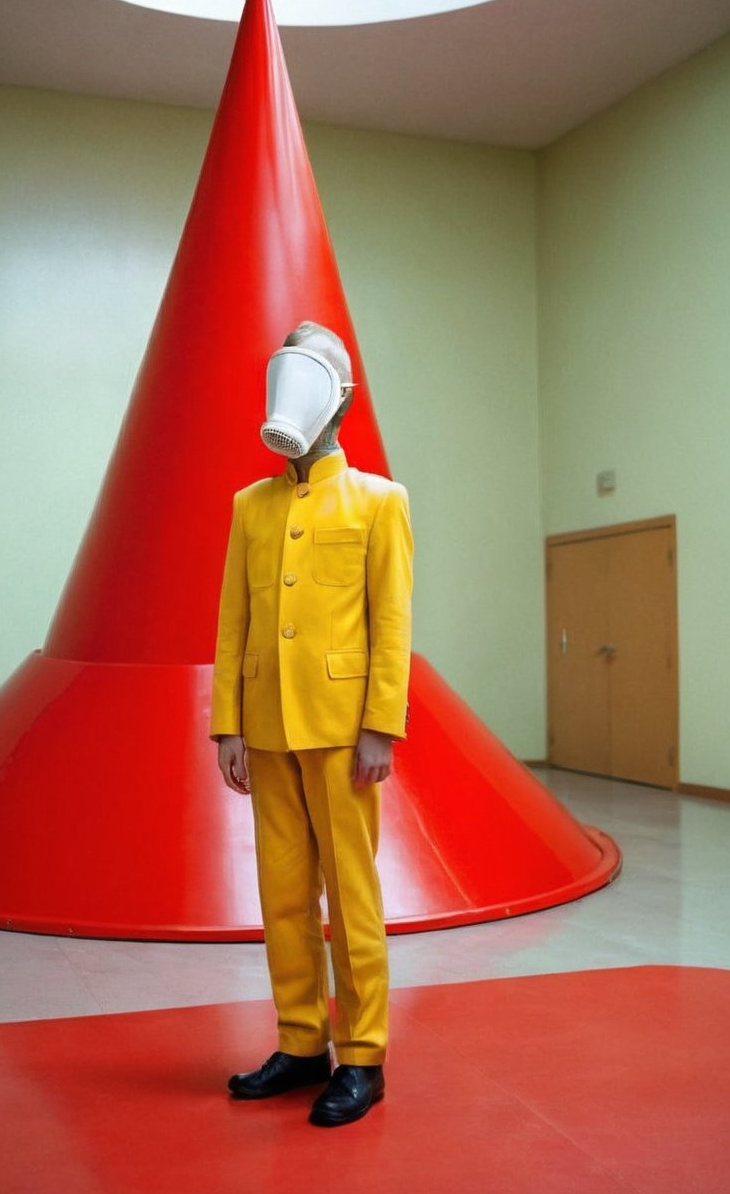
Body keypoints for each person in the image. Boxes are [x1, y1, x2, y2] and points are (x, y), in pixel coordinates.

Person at [210, 320, 413, 1127]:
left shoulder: (379, 501)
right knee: (284, 895)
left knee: (351, 895)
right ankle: (302, 1044)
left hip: (342, 730)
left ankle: (363, 1057)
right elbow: (233, 622)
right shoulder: (249, 506)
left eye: (314, 361)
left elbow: (390, 622)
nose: (294, 374)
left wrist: (381, 726)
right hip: (266, 729)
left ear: (344, 395)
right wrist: (227, 722)